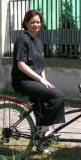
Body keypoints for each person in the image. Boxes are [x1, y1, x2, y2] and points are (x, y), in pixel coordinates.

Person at [11, 10, 65, 138]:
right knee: (57, 96)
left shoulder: (39, 42)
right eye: (33, 22)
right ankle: (45, 131)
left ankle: (39, 140)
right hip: (22, 81)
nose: (36, 24)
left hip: (35, 80)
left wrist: (45, 81)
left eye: (38, 22)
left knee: (42, 106)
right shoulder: (22, 39)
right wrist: (41, 80)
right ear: (26, 23)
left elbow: (40, 66)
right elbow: (21, 64)